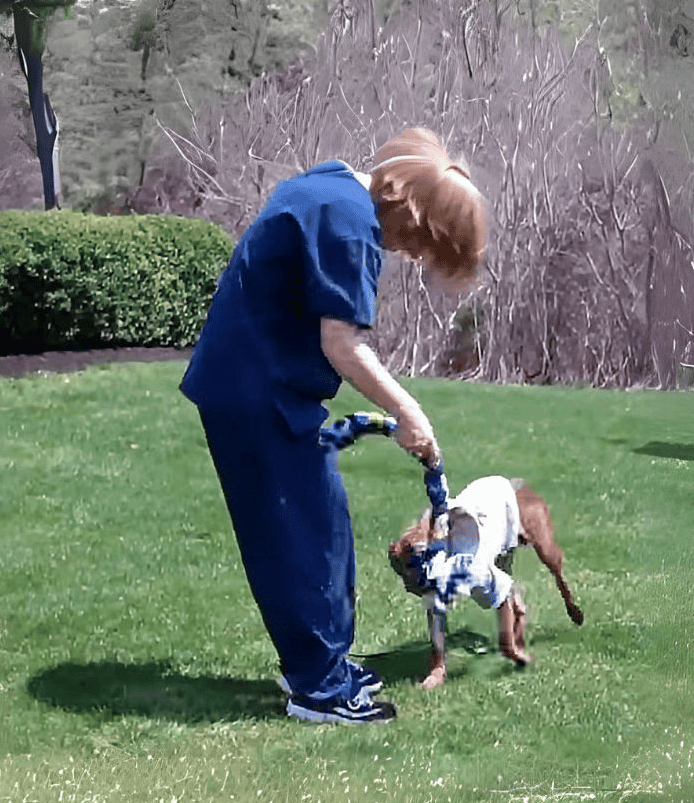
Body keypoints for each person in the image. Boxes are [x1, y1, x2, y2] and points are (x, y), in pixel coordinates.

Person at [179, 127, 489, 724]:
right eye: (421, 246)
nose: (411, 255)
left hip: (258, 382)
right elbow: (342, 344)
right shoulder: (350, 224)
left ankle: (326, 668)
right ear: (415, 217)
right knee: (301, 542)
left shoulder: (335, 185)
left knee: (322, 530)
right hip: (256, 391)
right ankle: (318, 691)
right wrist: (409, 412)